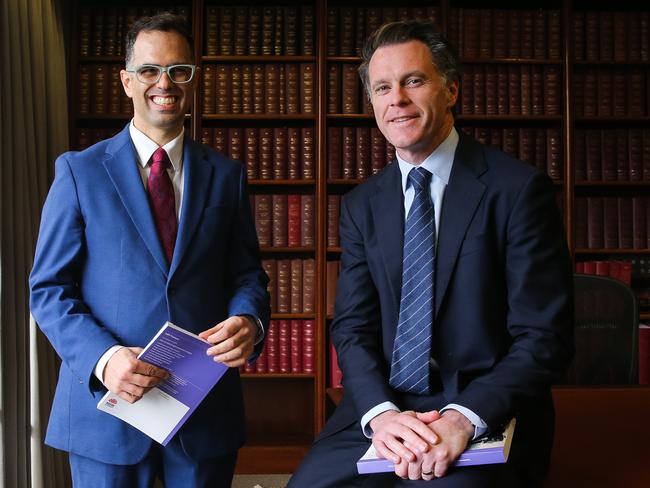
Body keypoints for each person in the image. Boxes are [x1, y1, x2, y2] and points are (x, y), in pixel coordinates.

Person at [289, 20, 573, 488]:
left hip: (487, 410)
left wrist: (463, 418)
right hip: (388, 408)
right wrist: (381, 414)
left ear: (452, 89)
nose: (396, 98)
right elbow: (354, 328)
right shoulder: (363, 205)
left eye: (413, 81)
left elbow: (545, 337)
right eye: (382, 87)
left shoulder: (517, 190)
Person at [29, 13, 269, 487]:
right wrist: (104, 358)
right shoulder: (79, 172)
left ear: (193, 80)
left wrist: (249, 322)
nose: (166, 83)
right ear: (127, 81)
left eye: (180, 71)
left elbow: (247, 276)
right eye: (150, 70)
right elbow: (48, 289)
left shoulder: (227, 175)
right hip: (108, 413)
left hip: (203, 408)